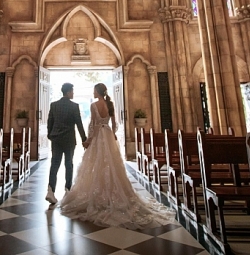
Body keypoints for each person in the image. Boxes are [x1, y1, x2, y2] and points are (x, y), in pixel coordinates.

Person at [59, 83, 173, 229]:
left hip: (99, 135)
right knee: (112, 164)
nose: (93, 93)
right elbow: (114, 124)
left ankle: (98, 195)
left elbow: (93, 125)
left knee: (96, 163)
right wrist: (112, 135)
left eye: (94, 90)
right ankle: (113, 194)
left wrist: (89, 139)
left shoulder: (94, 106)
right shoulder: (110, 105)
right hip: (107, 134)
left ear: (98, 92)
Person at [46, 82, 87, 204]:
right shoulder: (74, 106)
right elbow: (79, 124)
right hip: (69, 139)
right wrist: (84, 139)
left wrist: (50, 135)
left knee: (54, 164)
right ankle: (67, 190)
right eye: (72, 91)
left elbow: (50, 122)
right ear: (68, 92)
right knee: (68, 164)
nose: (73, 93)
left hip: (56, 139)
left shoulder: (54, 105)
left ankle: (50, 190)